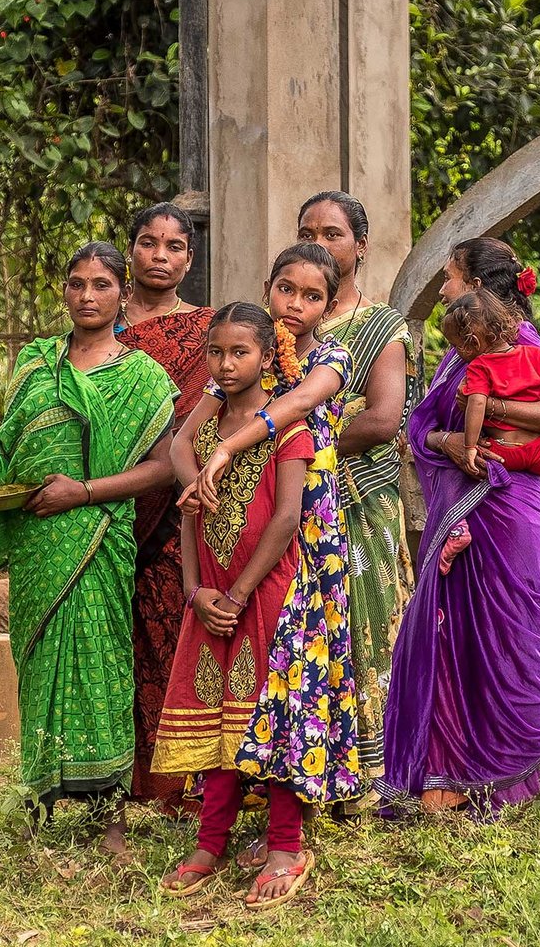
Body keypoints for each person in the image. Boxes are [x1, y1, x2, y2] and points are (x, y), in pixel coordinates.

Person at [0, 242, 177, 856]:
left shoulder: (143, 378)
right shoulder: (36, 366)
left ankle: (109, 819)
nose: (88, 296)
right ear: (64, 291)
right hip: (37, 545)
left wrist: (81, 492)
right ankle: (43, 807)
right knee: (40, 671)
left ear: (122, 295)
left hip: (99, 539)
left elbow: (164, 469)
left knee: (103, 669)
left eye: (102, 285)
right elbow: (5, 450)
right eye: (77, 283)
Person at [168, 245, 363, 888]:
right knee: (237, 704)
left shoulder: (312, 377)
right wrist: (199, 477)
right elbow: (181, 444)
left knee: (286, 701)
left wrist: (226, 448)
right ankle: (216, 838)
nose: (296, 306)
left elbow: (285, 471)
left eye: (312, 296)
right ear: (267, 289)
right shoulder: (238, 384)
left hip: (306, 551)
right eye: (286, 290)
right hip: (226, 562)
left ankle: (286, 843)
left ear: (330, 305)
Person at [381, 237, 540, 814]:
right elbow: (422, 426)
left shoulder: (518, 344)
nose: (442, 287)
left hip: (512, 505)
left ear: (475, 285)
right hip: (464, 504)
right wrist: (448, 441)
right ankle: (445, 775)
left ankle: (508, 775)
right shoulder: (460, 348)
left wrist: (490, 410)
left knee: (508, 638)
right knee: (451, 636)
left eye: (449, 277)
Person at [152, 304, 329, 906]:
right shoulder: (205, 429)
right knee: (217, 715)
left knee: (269, 720)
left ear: (265, 356)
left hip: (265, 595)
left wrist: (237, 592)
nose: (227, 365)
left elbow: (285, 520)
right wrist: (196, 591)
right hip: (212, 597)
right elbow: (192, 518)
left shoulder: (287, 428)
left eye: (241, 353)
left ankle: (285, 844)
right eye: (217, 353)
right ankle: (211, 841)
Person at [298, 190, 417, 794]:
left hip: (360, 499)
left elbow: (382, 418)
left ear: (359, 248)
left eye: (332, 234)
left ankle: (379, 771)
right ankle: (311, 763)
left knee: (368, 625)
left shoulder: (381, 325)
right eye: (308, 232)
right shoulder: (281, 328)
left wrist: (301, 437)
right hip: (296, 504)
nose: (319, 244)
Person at [114, 201, 215, 811]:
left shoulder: (205, 330)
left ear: (189, 258)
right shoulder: (103, 321)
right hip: (105, 504)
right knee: (116, 641)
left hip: (179, 505)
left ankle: (179, 785)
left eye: (173, 247)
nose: (159, 256)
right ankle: (114, 779)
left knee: (174, 634)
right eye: (148, 244)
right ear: (131, 250)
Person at [443, 289, 540, 556]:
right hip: (538, 451)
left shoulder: (480, 366)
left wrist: (469, 446)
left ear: (473, 342)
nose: (456, 353)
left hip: (502, 451)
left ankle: (458, 527)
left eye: (457, 345)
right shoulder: (534, 356)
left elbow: (477, 403)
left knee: (461, 472)